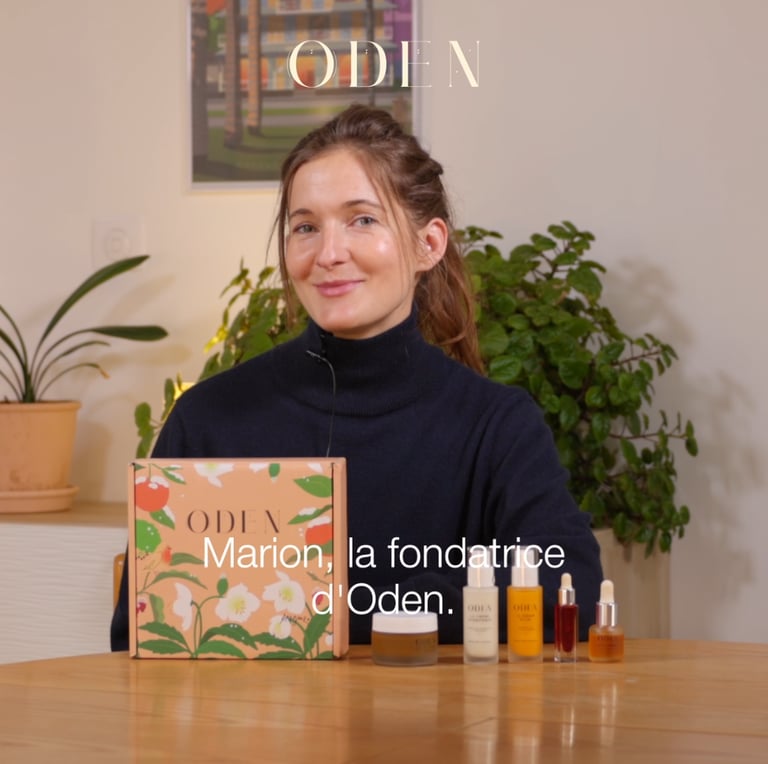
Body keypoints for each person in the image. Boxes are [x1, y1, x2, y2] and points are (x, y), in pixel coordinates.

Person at [111, 104, 602, 649]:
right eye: (305, 227)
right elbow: (139, 628)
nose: (328, 254)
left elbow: (571, 591)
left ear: (428, 244)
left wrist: (332, 610)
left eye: (362, 220)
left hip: (435, 707)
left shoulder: (498, 427)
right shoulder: (208, 420)